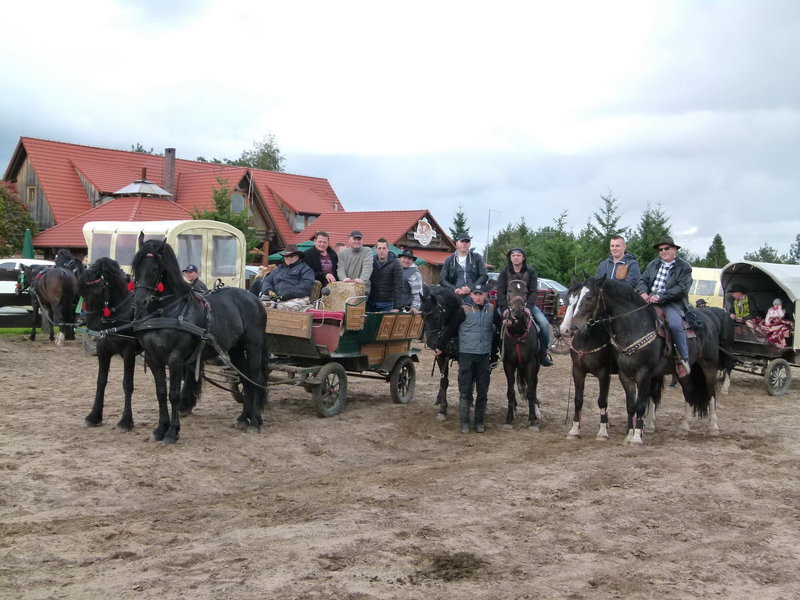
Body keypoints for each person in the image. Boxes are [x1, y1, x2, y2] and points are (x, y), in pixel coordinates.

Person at [434, 283, 501, 434]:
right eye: (475, 294)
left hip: (484, 356)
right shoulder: (463, 310)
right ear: (471, 295)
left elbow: (500, 326)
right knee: (465, 391)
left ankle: (479, 422)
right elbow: (451, 329)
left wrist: (507, 324)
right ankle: (464, 422)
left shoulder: (491, 310)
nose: (478, 297)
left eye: (481, 294)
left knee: (482, 392)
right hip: (466, 355)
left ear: (486, 295)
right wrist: (440, 346)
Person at [635, 236, 693, 379]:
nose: (663, 251)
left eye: (667, 248)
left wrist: (661, 296)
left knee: (674, 325)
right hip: (649, 301)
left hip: (672, 303)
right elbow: (643, 280)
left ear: (675, 250)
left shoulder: (684, 267)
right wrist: (642, 293)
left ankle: (682, 359)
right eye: (661, 249)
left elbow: (681, 288)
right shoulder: (653, 264)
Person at [495, 248, 553, 366]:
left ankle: (543, 353)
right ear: (510, 258)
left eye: (518, 255)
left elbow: (533, 291)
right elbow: (500, 291)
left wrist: (529, 307)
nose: (516, 257)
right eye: (513, 255)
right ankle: (494, 354)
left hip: (526, 305)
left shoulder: (531, 271)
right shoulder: (504, 272)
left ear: (523, 257)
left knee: (544, 324)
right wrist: (504, 308)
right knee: (493, 325)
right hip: (507, 305)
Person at [252, 244, 315, 310]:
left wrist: (289, 294)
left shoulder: (305, 269)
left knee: (282, 308)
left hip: (296, 299)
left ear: (298, 257)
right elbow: (267, 280)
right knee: (255, 305)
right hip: (274, 298)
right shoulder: (277, 269)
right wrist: (269, 291)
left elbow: (306, 286)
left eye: (291, 255)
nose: (288, 257)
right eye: (286, 256)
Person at [439, 232, 488, 304]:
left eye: (467, 241)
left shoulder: (477, 257)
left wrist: (471, 288)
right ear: (457, 243)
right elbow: (442, 280)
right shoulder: (449, 260)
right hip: (454, 296)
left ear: (469, 244)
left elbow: (484, 276)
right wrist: (454, 289)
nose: (464, 243)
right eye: (462, 241)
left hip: (475, 295)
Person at [367, 238, 403, 312]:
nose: (381, 251)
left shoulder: (396, 263)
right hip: (371, 302)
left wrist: (397, 307)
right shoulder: (371, 261)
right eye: (379, 248)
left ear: (388, 249)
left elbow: (398, 286)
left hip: (388, 303)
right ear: (376, 249)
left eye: (384, 248)